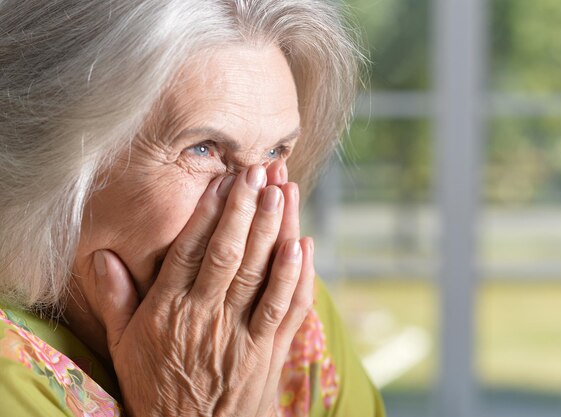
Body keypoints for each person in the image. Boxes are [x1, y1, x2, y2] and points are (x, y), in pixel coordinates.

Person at [0, 0, 385, 416]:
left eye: (276, 151)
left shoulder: (288, 315)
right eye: (203, 149)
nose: (257, 204)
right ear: (53, 163)